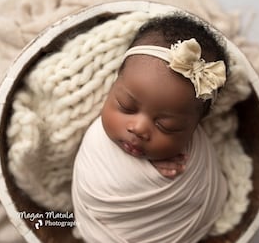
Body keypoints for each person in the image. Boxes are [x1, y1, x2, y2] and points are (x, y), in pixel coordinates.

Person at [72, 14, 229, 243]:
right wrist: (139, 170)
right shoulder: (97, 138)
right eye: (126, 106)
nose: (138, 128)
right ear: (115, 83)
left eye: (166, 126)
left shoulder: (193, 156)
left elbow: (204, 192)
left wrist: (165, 173)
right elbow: (92, 182)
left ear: (196, 127)